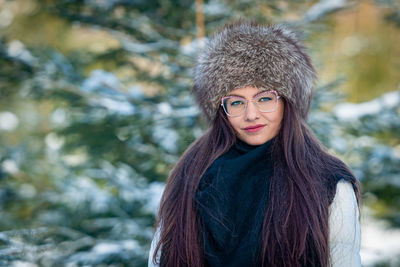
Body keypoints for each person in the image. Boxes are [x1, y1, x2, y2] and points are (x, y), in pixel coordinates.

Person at [148, 21, 361, 267]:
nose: (251, 114)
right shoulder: (191, 174)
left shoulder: (327, 181)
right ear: (222, 110)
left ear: (287, 102)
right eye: (236, 102)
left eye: (264, 98)